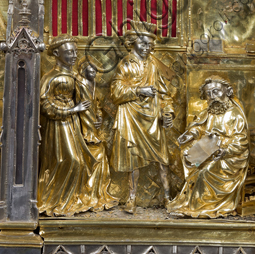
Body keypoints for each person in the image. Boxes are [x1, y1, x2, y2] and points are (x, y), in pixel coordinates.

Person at [38, 36, 115, 216]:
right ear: (57, 53)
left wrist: (94, 121)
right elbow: (44, 104)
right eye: (69, 52)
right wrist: (72, 110)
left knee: (79, 162)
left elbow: (87, 102)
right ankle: (55, 200)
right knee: (68, 160)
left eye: (75, 52)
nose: (73, 55)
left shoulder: (75, 77)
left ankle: (70, 199)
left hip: (72, 124)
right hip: (57, 126)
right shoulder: (50, 77)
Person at [110, 20, 175, 214]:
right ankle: (131, 198)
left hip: (153, 118)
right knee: (133, 160)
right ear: (132, 42)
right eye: (143, 43)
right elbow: (115, 91)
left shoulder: (154, 64)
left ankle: (167, 196)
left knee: (163, 159)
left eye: (150, 44)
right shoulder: (125, 64)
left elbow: (165, 92)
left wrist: (168, 111)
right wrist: (139, 89)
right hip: (131, 116)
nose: (147, 48)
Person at [167, 78, 249, 218]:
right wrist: (190, 135)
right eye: (208, 93)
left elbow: (241, 141)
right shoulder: (208, 112)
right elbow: (199, 127)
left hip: (229, 155)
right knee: (188, 156)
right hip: (208, 145)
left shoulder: (235, 114)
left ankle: (203, 207)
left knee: (205, 172)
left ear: (227, 92)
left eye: (216, 91)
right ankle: (192, 202)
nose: (212, 96)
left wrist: (224, 151)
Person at [77, 57, 118, 210]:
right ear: (84, 70)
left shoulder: (95, 86)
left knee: (101, 157)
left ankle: (97, 192)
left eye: (95, 70)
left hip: (93, 128)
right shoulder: (79, 84)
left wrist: (100, 118)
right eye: (90, 70)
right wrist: (77, 109)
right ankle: (84, 193)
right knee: (90, 157)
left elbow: (98, 105)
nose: (93, 73)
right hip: (81, 126)